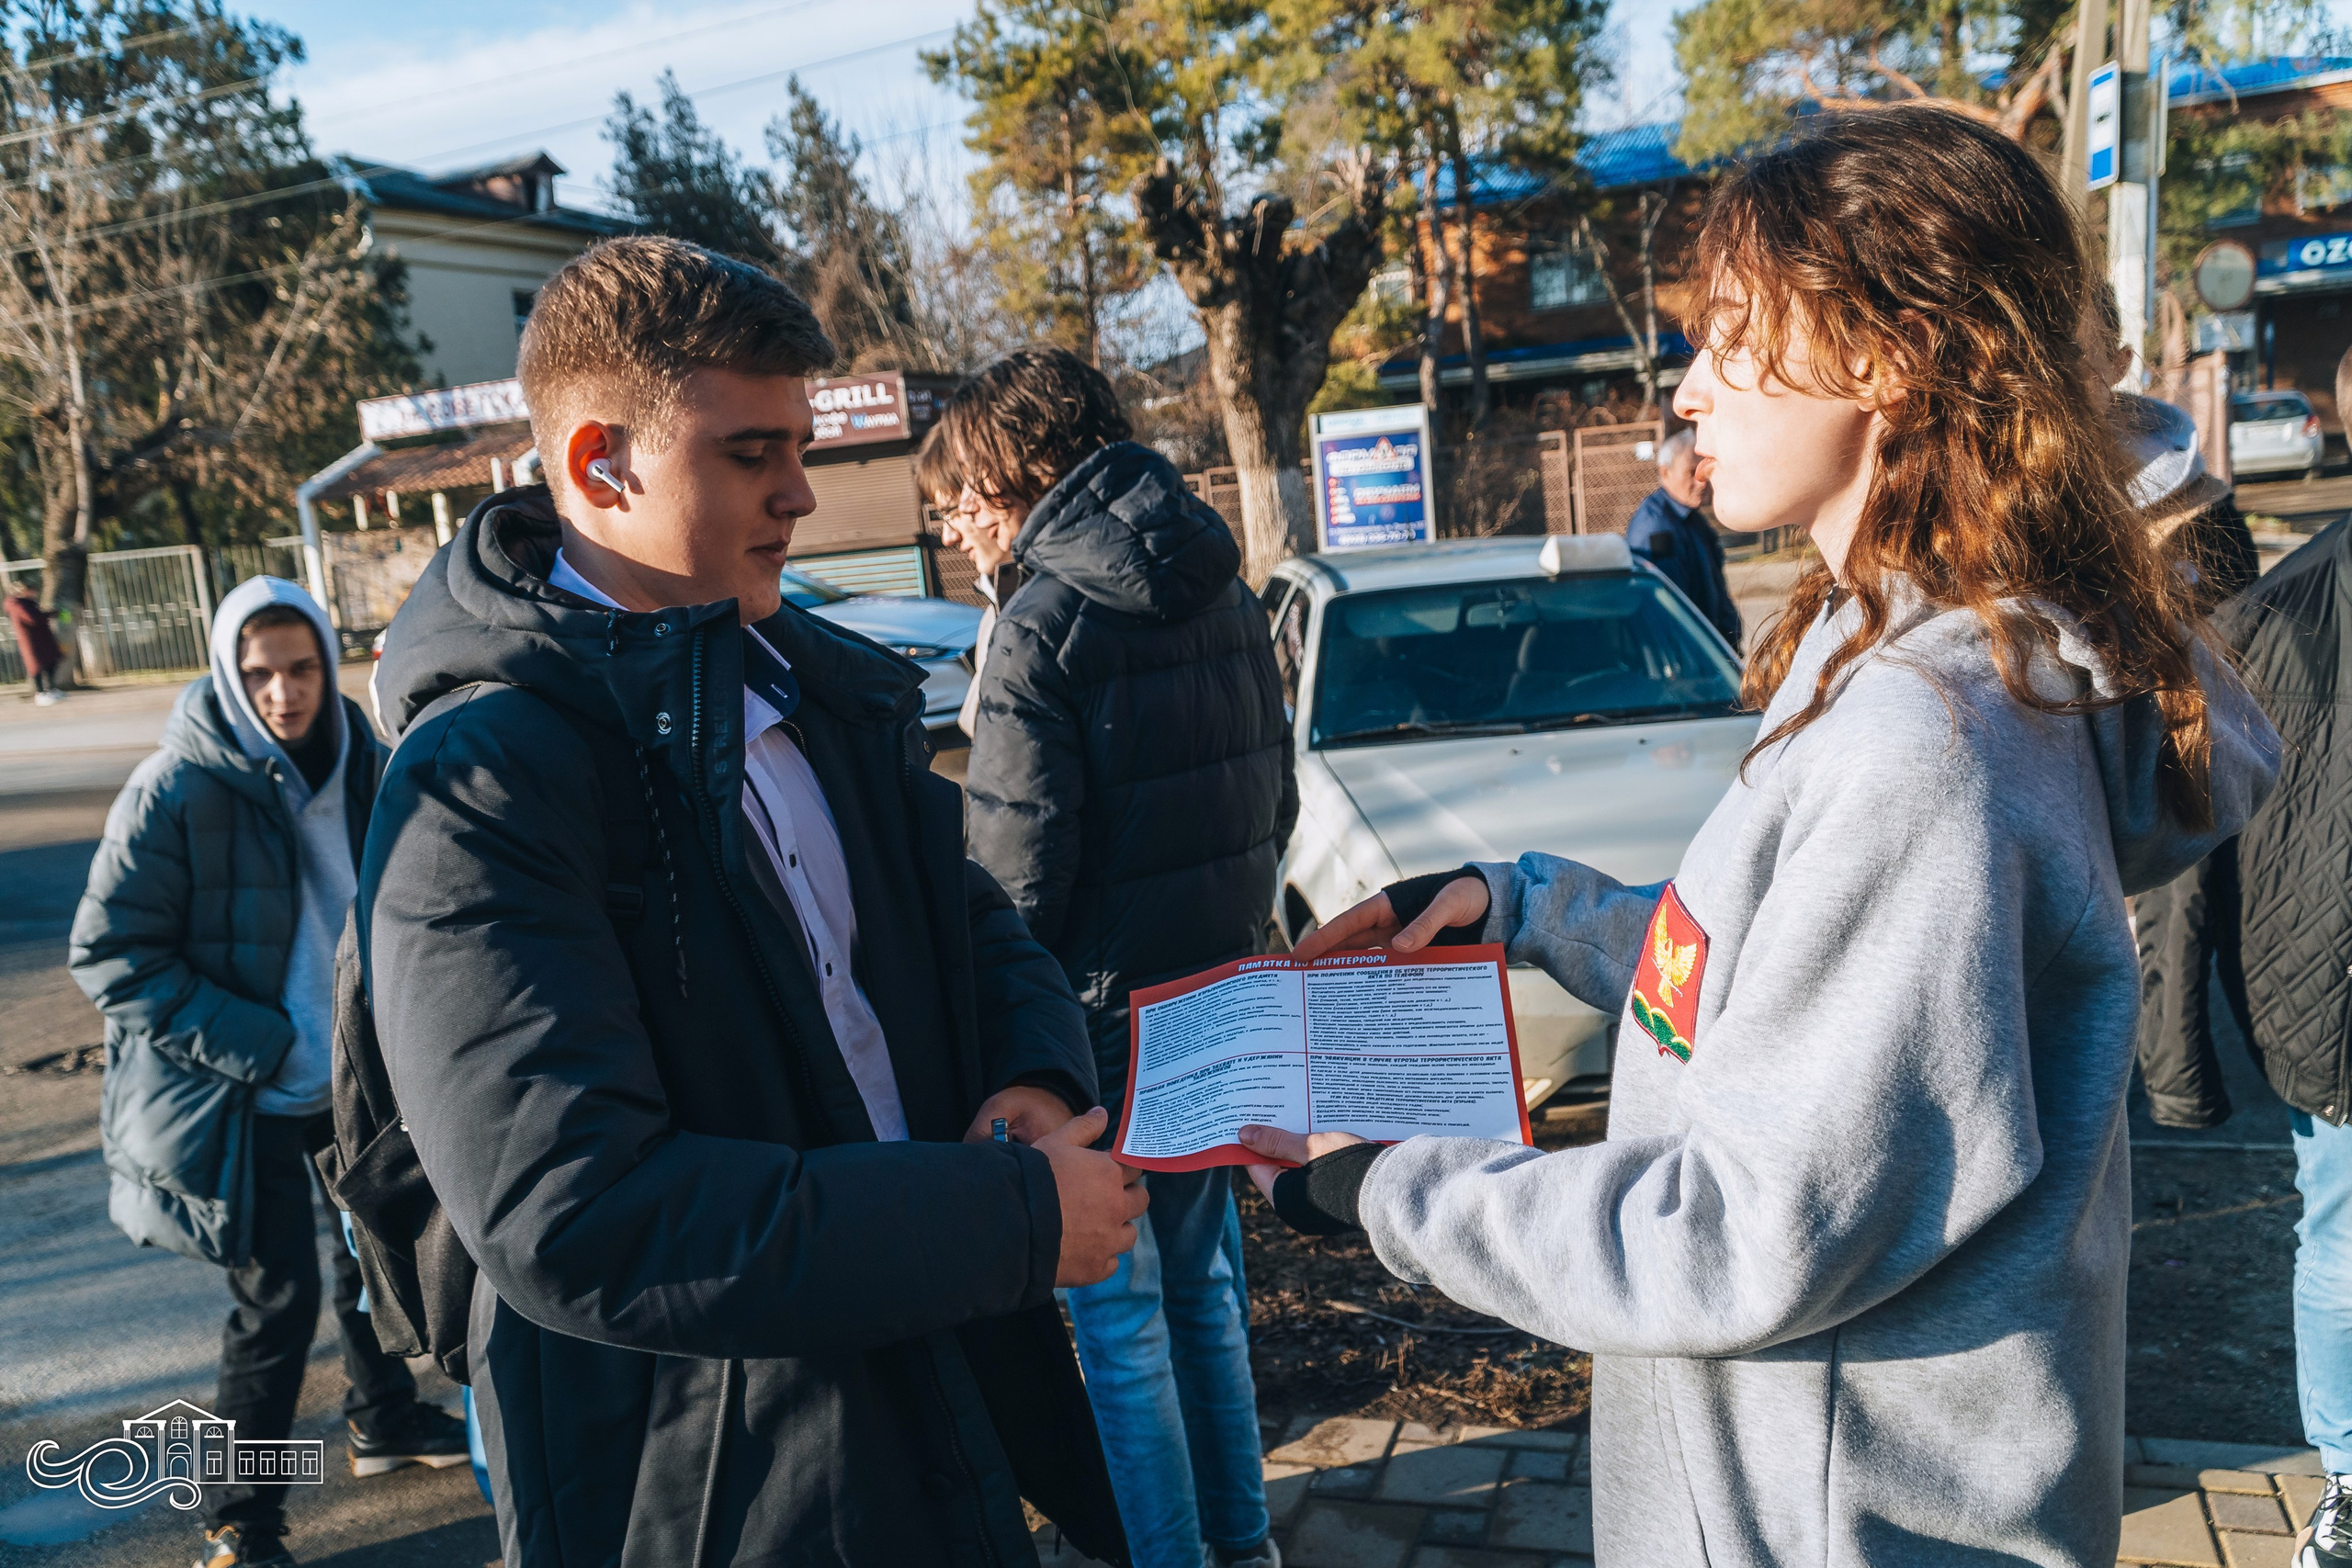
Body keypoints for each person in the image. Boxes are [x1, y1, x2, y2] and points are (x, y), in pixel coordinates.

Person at [1249, 107, 2280, 1563]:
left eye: (1731, 337)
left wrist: (1385, 1180)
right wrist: (1528, 905)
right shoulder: (1899, 645)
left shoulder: (1927, 737)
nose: (1686, 389)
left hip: (1838, 1524)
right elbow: (1767, 984)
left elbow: (1741, 1230)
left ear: (1889, 356)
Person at [358, 238, 1142, 1568]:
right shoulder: (484, 776)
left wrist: (1027, 1069)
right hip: (711, 1480)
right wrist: (1002, 1220)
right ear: (602, 463)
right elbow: (575, 1210)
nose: (801, 498)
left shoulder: (809, 683)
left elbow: (968, 921)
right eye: (750, 455)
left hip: (925, 1387)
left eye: (801, 453)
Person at [947, 346, 1296, 1568]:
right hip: (1221, 991)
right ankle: (1243, 1542)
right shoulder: (1226, 582)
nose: (959, 527)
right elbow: (1276, 798)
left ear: (1012, 472)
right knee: (1204, 1292)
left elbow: (1015, 878)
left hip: (1096, 1015)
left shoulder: (1040, 620)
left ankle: (1169, 1554)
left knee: (1121, 1319)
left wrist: (1005, 1028)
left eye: (964, 498)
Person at [70, 577, 468, 1568]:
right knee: (277, 1300)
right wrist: (258, 1040)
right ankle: (242, 1518)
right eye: (259, 673)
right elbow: (110, 953)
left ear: (329, 667)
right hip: (239, 1087)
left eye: (301, 669)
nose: (283, 693)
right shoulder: (179, 785)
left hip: (347, 1078)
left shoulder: (368, 765)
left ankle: (383, 1420)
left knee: (373, 1264)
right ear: (225, 672)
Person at [2138, 352, 2352, 1568]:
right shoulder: (2272, 614)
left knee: (2340, 1239)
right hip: (2331, 988)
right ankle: (2351, 1479)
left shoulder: (2275, 608)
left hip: (2321, 983)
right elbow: (2191, 850)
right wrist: (2176, 1069)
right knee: (2340, 1237)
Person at [1623, 427, 1742, 647]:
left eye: (1704, 472)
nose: (1701, 482)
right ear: (1665, 472)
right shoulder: (1657, 528)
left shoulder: (1688, 516)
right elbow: (1669, 613)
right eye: (1691, 472)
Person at [7, 577, 64, 703]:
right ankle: (40, 693)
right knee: (36, 666)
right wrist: (49, 614)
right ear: (23, 591)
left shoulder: (29, 603)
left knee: (51, 662)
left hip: (42, 638)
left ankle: (51, 689)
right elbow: (32, 618)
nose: (34, 593)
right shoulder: (17, 604)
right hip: (30, 640)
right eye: (31, 590)